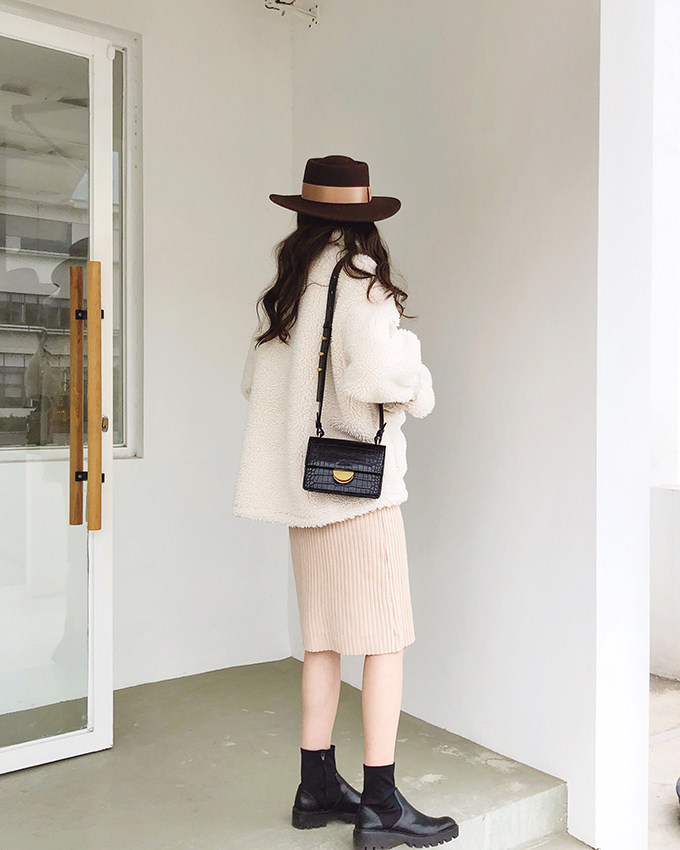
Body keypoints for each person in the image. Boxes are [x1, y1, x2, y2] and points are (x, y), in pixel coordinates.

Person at [232, 155, 459, 848]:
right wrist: (415, 369)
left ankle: (317, 787)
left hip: (304, 495)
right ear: (363, 217)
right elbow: (382, 377)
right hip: (359, 498)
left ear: (305, 213)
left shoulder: (290, 285)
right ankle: (382, 805)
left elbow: (256, 385)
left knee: (323, 642)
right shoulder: (360, 278)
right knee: (385, 642)